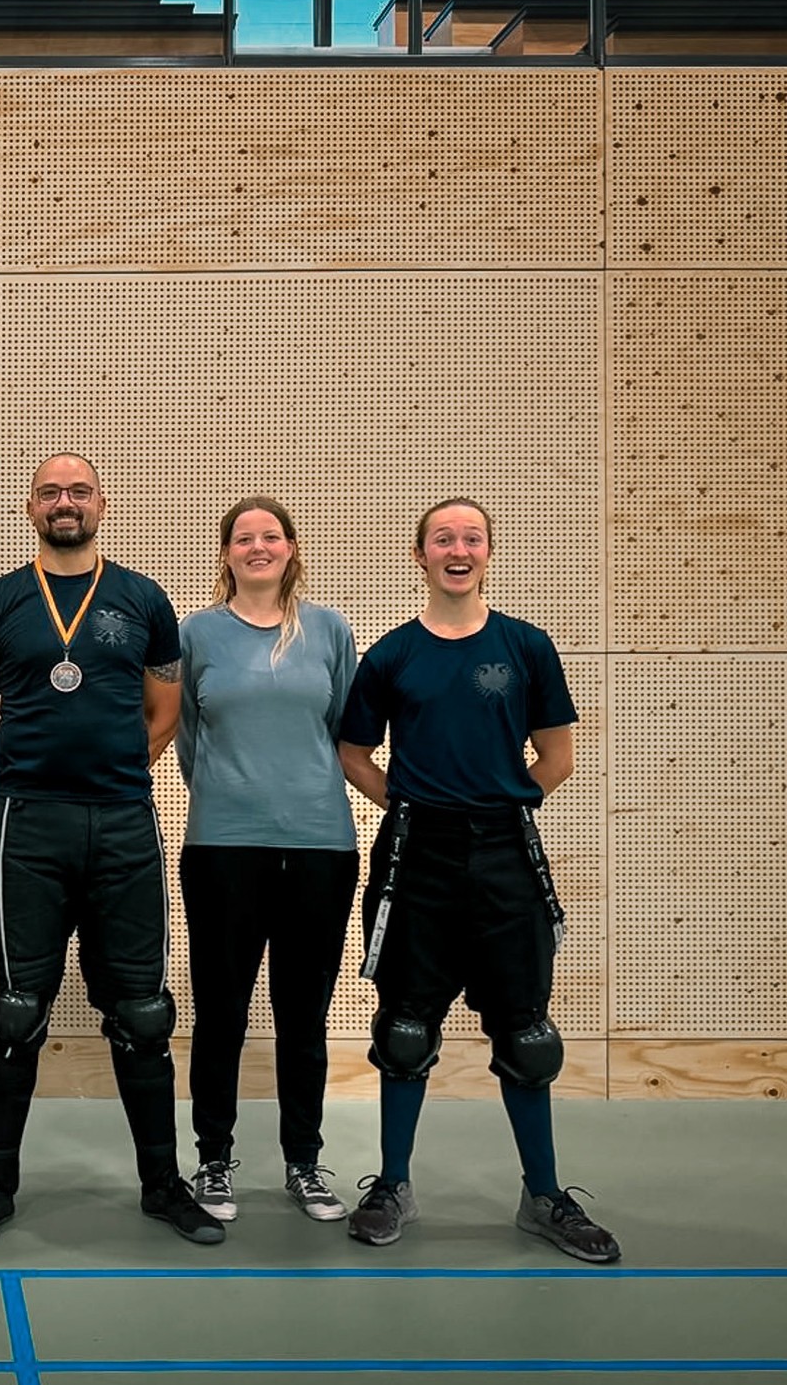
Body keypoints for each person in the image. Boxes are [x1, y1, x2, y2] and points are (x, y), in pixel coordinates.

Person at [0, 453, 222, 1249]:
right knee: (15, 1012)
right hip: (27, 829)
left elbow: (163, 714)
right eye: (49, 493)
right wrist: (29, 782)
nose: (64, 503)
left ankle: (163, 1186)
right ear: (29, 506)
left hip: (124, 824)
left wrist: (108, 776)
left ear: (103, 502)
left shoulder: (142, 598)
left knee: (142, 1011)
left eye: (78, 491)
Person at [337, 497, 620, 1262]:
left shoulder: (527, 647)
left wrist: (492, 804)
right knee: (403, 1030)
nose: (457, 549)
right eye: (442, 538)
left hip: (505, 858)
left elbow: (555, 759)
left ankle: (545, 1197)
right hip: (416, 859)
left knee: (527, 1038)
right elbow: (355, 753)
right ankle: (392, 1183)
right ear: (419, 554)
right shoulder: (392, 656)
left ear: (488, 552)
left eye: (471, 538)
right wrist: (416, 806)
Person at [175, 497, 359, 1224]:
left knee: (303, 1016)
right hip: (224, 846)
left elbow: (345, 730)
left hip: (321, 845)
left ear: (290, 548)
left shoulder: (329, 629)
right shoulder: (199, 634)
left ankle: (305, 1163)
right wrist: (233, 794)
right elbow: (186, 733)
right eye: (244, 538)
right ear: (226, 553)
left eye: (270, 536)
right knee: (221, 1012)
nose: (258, 547)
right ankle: (214, 1162)